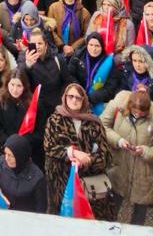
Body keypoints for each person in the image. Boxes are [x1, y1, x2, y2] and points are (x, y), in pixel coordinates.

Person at [43, 82, 118, 220]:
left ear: (84, 100)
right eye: (70, 96)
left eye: (78, 97)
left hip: (89, 185)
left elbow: (106, 155)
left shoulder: (94, 123)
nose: (74, 100)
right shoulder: (54, 120)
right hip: (62, 182)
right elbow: (49, 147)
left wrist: (89, 160)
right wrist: (71, 153)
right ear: (64, 97)